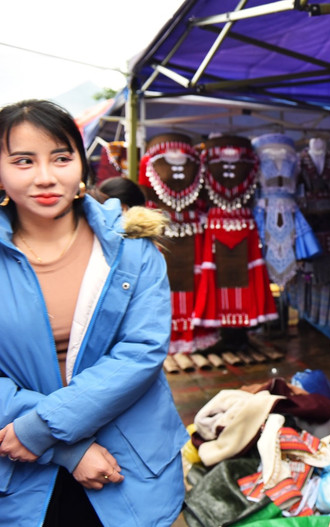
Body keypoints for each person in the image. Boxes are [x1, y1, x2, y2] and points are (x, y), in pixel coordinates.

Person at [0, 99, 188, 526]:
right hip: (19, 471)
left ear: (81, 166)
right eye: (23, 161)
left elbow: (140, 352)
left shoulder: (132, 247)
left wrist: (41, 428)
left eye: (61, 158)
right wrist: (65, 446)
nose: (46, 177)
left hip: (131, 464)